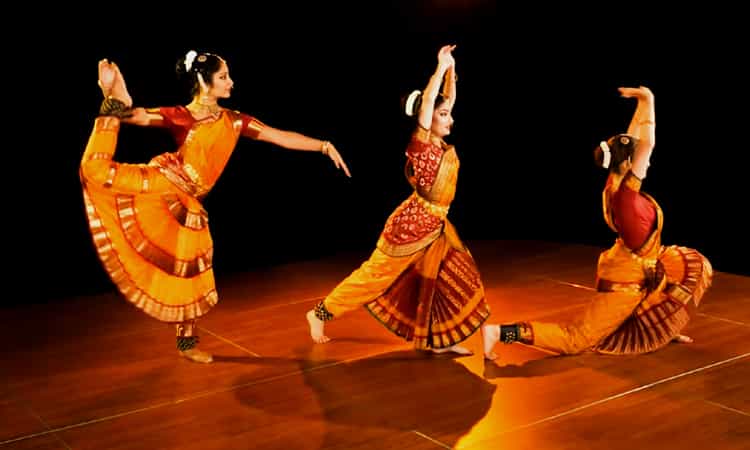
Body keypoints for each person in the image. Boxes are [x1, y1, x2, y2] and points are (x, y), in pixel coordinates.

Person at [80, 50, 351, 363]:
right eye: (223, 77)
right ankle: (116, 100)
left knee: (188, 272)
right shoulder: (182, 115)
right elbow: (139, 118)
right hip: (164, 182)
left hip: (187, 202)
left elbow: (279, 137)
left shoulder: (234, 121)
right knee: (94, 171)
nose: (231, 82)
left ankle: (187, 344)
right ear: (203, 82)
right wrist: (113, 96)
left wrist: (323, 145)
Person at [482, 86, 712, 360]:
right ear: (630, 161)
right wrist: (649, 100)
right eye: (641, 157)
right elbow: (647, 144)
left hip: (642, 267)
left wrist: (639, 105)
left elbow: (634, 140)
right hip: (626, 279)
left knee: (679, 279)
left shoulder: (617, 181)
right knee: (577, 340)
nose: (646, 161)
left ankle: (662, 330)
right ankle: (500, 333)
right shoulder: (626, 196)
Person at [306, 44, 490, 355]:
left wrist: (451, 71)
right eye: (443, 115)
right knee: (373, 278)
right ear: (426, 117)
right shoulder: (421, 144)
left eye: (449, 114)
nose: (450, 120)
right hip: (412, 228)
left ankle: (441, 339)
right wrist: (439, 66)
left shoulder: (438, 142)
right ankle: (320, 313)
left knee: (446, 279)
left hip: (437, 225)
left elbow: (448, 99)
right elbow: (430, 102)